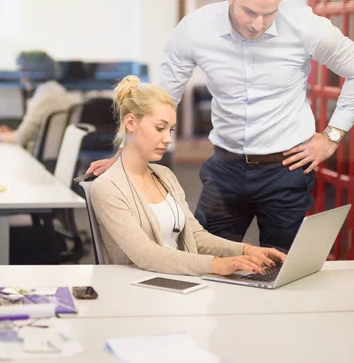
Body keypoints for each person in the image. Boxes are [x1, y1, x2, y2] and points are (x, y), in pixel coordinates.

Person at [88, 0, 354, 251]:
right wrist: (127, 153)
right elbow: (161, 99)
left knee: (284, 268)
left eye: (270, 13)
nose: (258, 24)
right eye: (249, 12)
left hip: (287, 169)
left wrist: (332, 136)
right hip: (225, 168)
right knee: (205, 258)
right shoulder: (196, 28)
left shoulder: (306, 27)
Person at [90, 76, 286, 276]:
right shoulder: (107, 187)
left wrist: (246, 250)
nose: (168, 139)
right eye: (160, 128)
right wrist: (216, 264)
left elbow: (195, 236)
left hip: (180, 281)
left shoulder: (164, 176)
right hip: (141, 291)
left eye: (171, 129)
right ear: (131, 122)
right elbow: (145, 255)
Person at [0, 79, 80, 152]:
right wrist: (10, 133)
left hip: (35, 158)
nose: (22, 80)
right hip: (54, 155)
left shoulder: (42, 97)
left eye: (24, 74)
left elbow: (21, 138)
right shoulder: (57, 89)